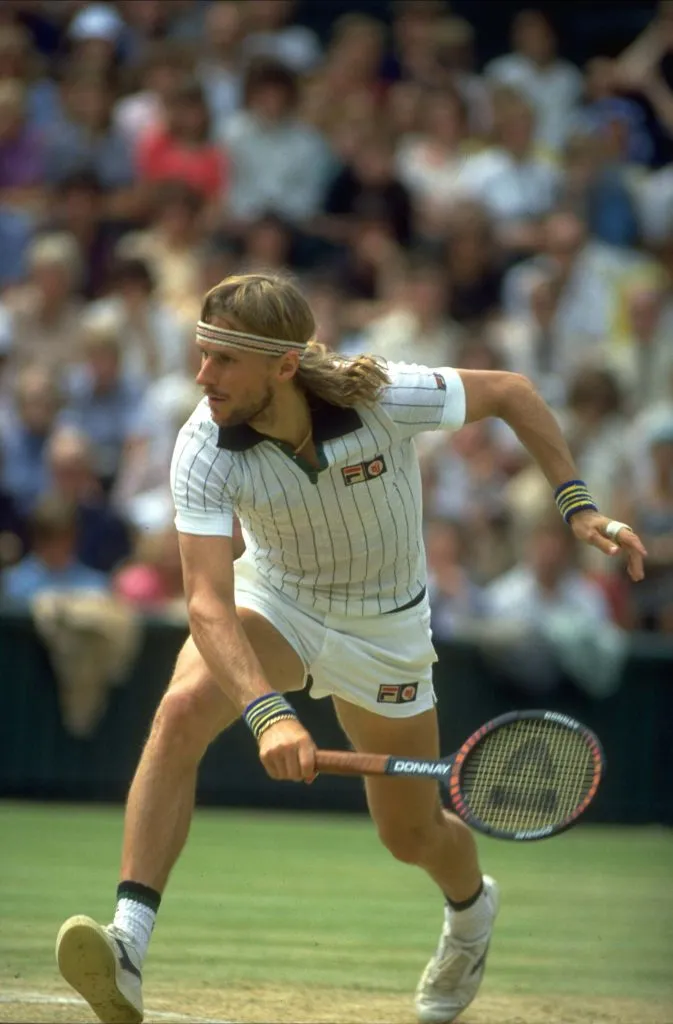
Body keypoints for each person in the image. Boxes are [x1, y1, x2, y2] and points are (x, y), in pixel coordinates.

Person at [55, 273, 647, 1024]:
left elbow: (510, 391)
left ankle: (469, 915)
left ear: (282, 364)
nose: (202, 376)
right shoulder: (202, 442)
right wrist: (267, 712)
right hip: (277, 601)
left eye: (223, 360)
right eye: (201, 355)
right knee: (179, 712)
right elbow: (205, 602)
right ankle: (129, 946)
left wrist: (577, 506)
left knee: (411, 835)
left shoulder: (384, 397)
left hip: (385, 631)